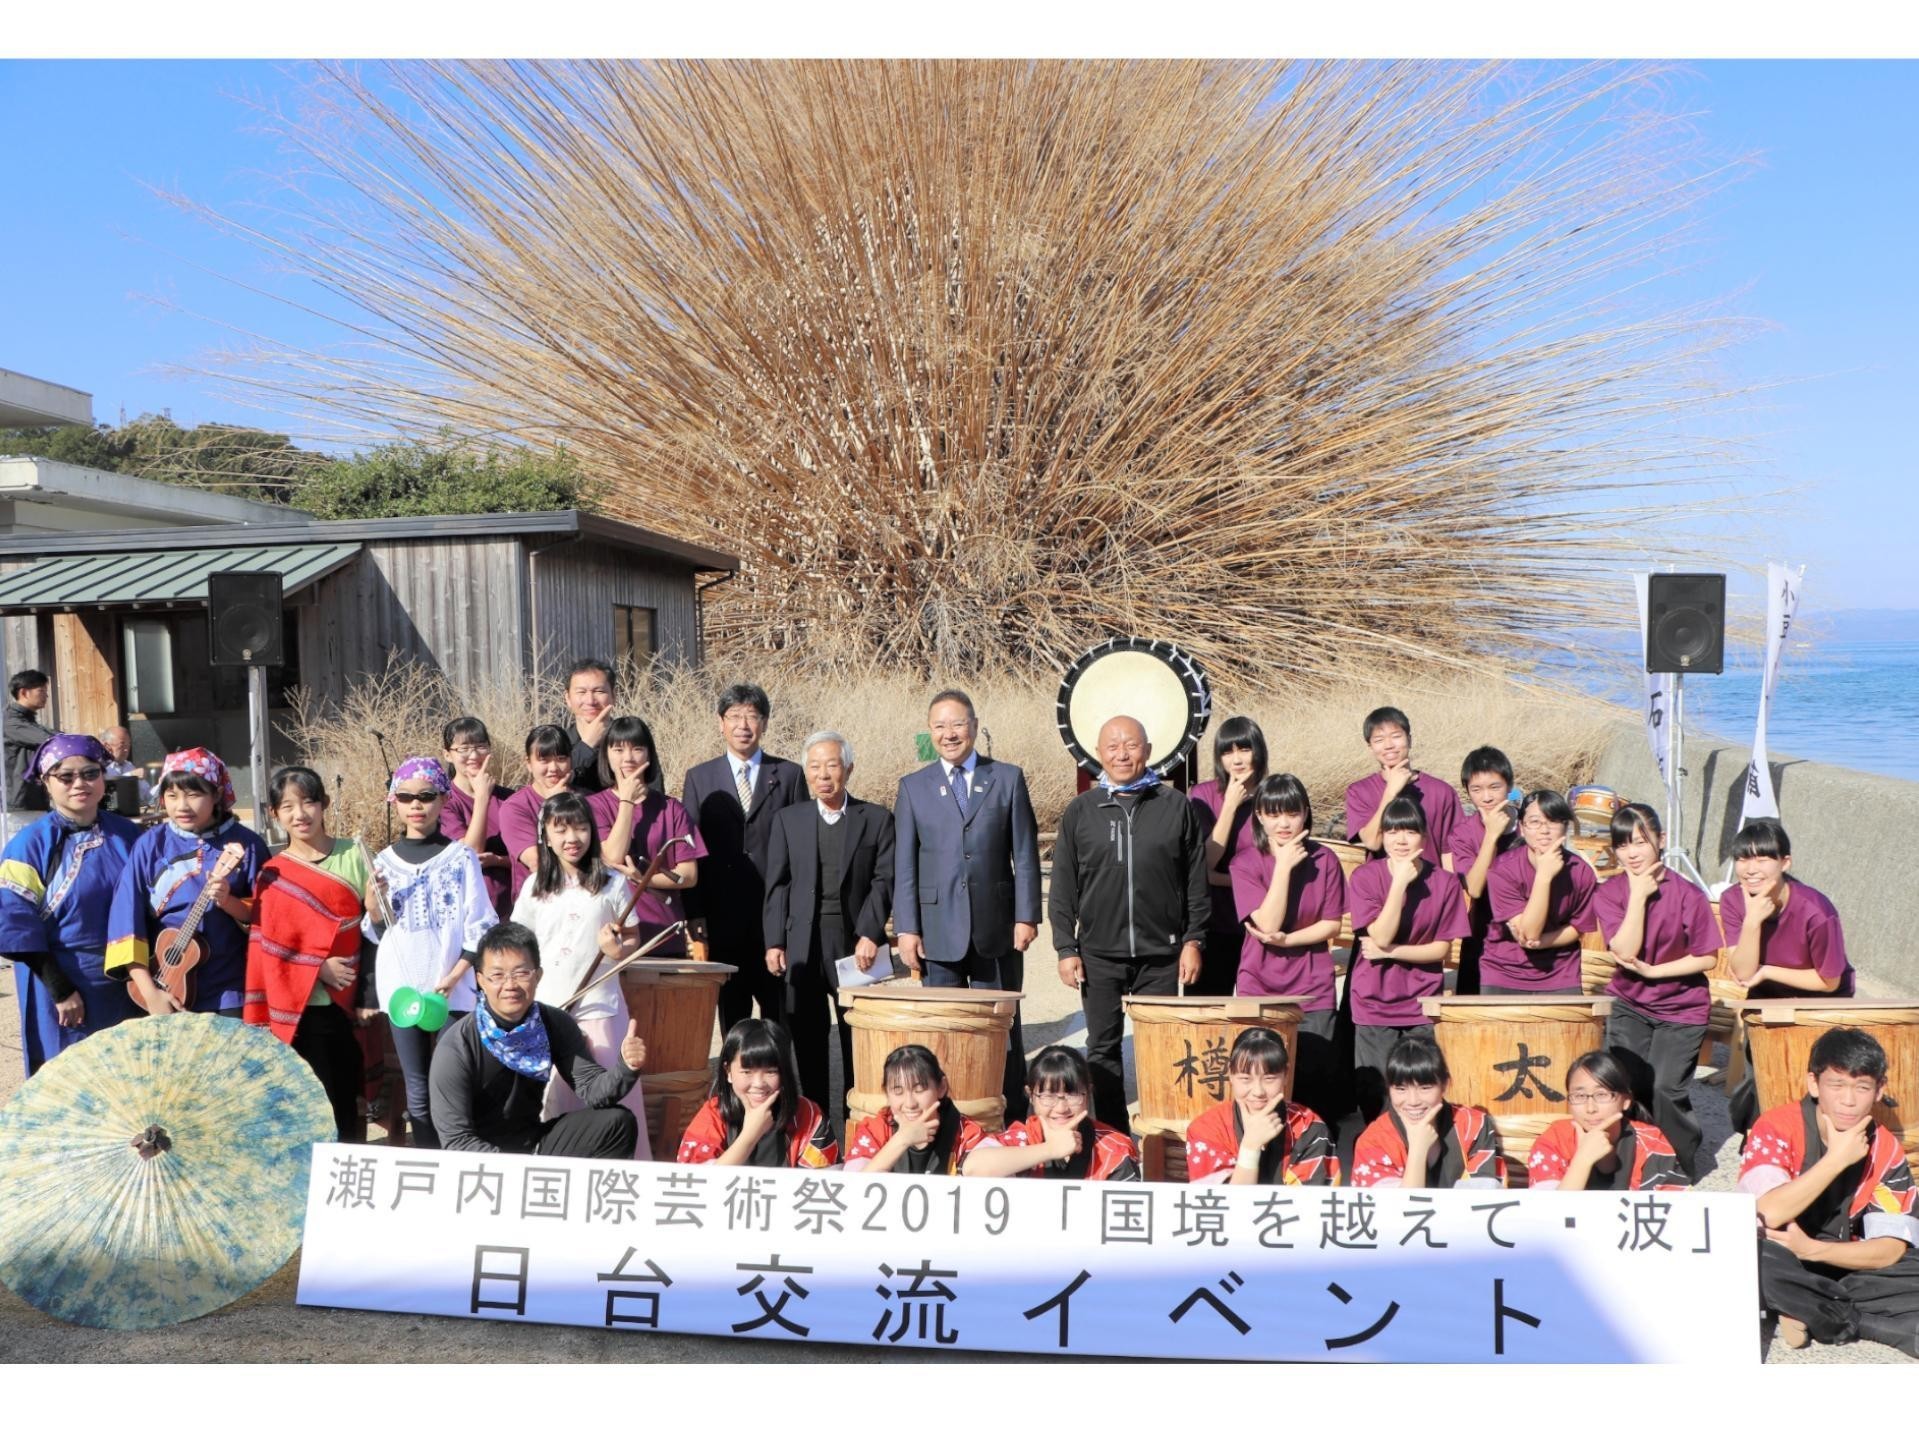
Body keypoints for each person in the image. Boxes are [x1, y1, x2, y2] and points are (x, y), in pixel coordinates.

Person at [1048, 714, 1209, 1129]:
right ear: (1098, 754)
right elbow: (1063, 886)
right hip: (1099, 953)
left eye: (1131, 745)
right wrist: (1066, 947)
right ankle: (1115, 1134)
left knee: (1162, 1046)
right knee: (1102, 1048)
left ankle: (1161, 1132)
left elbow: (1195, 882)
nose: (1122, 754)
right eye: (1113, 747)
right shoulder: (1082, 811)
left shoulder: (1175, 807)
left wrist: (1193, 940)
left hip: (1161, 954)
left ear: (1148, 750)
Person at [893, 688, 1043, 1121]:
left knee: (1003, 1025)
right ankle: (950, 1119)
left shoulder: (1006, 778)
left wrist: (1026, 915)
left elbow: (1025, 853)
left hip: (997, 926)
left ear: (974, 727)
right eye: (940, 726)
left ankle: (1011, 1115)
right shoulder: (914, 787)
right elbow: (905, 864)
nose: (949, 734)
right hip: (937, 928)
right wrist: (907, 928)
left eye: (958, 724)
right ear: (930, 732)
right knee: (945, 1027)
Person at [1742, 1027, 1919, 1356]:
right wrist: (1836, 1160)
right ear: (1814, 1084)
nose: (1848, 1100)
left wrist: (1812, 1250)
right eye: (1836, 1085)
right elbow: (1768, 1213)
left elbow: (1890, 1249)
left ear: (1879, 1090)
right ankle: (1851, 1316)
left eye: (1862, 1087)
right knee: (1749, 1256)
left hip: (1844, 1260)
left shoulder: (1885, 1148)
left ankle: (1812, 1309)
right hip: (1781, 1256)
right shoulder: (1777, 1126)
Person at [762, 730, 895, 1128]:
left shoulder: (876, 819)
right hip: (803, 942)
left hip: (855, 944)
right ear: (806, 772)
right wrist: (775, 941)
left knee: (859, 1036)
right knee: (808, 1036)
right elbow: (778, 885)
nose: (823, 775)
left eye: (832, 765)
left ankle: (861, 1126)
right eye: (815, 767)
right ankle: (817, 1128)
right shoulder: (789, 820)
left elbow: (884, 880)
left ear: (848, 769)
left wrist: (870, 932)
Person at [364, 758, 497, 1148]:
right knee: (417, 1085)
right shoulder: (383, 862)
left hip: (452, 988)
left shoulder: (460, 857)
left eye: (426, 795)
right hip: (401, 990)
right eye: (406, 797)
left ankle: (459, 1157)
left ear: (443, 799)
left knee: (455, 1081)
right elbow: (378, 932)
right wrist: (372, 906)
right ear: (394, 801)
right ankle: (427, 1159)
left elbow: (480, 923)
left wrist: (454, 977)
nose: (416, 805)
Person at [510, 789, 651, 1158]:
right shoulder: (534, 886)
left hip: (599, 1008)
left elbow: (632, 938)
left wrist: (617, 950)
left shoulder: (612, 882)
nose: (572, 838)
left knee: (608, 1094)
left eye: (581, 828)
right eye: (561, 830)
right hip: (548, 1010)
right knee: (552, 1099)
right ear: (545, 836)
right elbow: (518, 942)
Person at [427, 921, 646, 1157]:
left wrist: (626, 1067)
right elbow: (457, 1139)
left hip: (533, 1144)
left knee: (617, 1123)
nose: (510, 985)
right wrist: (517, 1170)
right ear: (481, 980)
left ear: (538, 976)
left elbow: (592, 1090)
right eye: (497, 975)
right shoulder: (457, 1045)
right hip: (480, 1157)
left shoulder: (554, 1023)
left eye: (521, 973)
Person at [1592, 800, 1720, 1181]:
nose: (1632, 853)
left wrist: (1656, 971)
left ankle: (1681, 1162)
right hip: (1629, 1002)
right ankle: (1631, 1159)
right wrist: (1637, 897)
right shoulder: (1611, 893)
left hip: (1682, 1008)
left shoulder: (1688, 895)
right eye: (1622, 844)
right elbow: (1624, 950)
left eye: (1640, 841)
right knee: (1625, 1084)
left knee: (1665, 1089)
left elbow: (1707, 957)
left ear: (1661, 840)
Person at [0, 734, 142, 1075]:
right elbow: (14, 924)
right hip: (65, 984)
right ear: (46, 782)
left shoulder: (130, 835)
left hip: (129, 981)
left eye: (90, 773)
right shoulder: (29, 845)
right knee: (71, 1081)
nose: (80, 783)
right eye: (66, 776)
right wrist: (60, 990)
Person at [243, 767, 371, 1140]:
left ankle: (348, 1170)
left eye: (309, 802)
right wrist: (317, 967)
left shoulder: (356, 854)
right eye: (288, 807)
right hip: (301, 1011)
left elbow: (376, 931)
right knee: (309, 1106)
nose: (300, 814)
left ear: (324, 804)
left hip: (352, 1003)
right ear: (274, 814)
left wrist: (369, 994)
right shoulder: (273, 874)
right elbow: (269, 948)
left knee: (348, 1101)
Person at [105, 748, 270, 1017]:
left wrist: (229, 901)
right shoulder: (150, 845)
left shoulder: (248, 845)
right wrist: (150, 993)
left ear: (217, 794)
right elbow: (126, 919)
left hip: (231, 989)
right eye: (172, 796)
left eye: (193, 795)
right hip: (165, 989)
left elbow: (269, 918)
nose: (181, 806)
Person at [681, 683, 807, 1032]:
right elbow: (690, 850)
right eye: (734, 716)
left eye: (752, 716)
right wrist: (694, 912)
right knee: (732, 1019)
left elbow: (801, 850)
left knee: (779, 1018)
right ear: (720, 722)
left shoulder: (790, 775)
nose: (743, 725)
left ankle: (780, 1069)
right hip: (722, 919)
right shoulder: (699, 777)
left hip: (774, 919)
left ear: (764, 722)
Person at [1721, 818, 1854, 1134]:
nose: (1751, 869)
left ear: (1785, 862)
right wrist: (1752, 921)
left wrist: (1768, 970)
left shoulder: (1815, 910)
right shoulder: (1733, 900)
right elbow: (1743, 972)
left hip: (1820, 1001)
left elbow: (1829, 981)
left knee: (1809, 1083)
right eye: (1743, 859)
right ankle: (1762, 1140)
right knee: (1762, 1079)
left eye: (1762, 859)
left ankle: (1812, 1143)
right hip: (1766, 996)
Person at [1345, 794, 1471, 1124]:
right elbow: (1381, 934)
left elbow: (1441, 950)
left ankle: (1419, 1146)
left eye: (1410, 831)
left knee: (1421, 1089)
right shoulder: (1365, 877)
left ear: (1424, 838)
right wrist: (1399, 883)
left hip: (1422, 1001)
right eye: (1392, 831)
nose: (1401, 839)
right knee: (1376, 1095)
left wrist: (1391, 953)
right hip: (1374, 1000)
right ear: (1382, 836)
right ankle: (1379, 1148)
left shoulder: (1444, 882)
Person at [1226, 773, 1345, 1121]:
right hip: (1259, 983)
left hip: (1312, 984)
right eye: (1273, 814)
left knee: (1314, 1080)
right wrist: (1283, 867)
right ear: (1259, 816)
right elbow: (1267, 923)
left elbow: (1332, 924)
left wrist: (1288, 941)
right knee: (1261, 1079)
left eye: (1292, 813)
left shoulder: (1325, 860)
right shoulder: (1244, 862)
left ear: (1305, 813)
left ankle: (1316, 1144)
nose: (1283, 823)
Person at [585, 714, 704, 954]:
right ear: (606, 755)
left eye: (637, 749)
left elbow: (689, 876)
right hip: (613, 937)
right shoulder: (592, 806)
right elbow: (613, 856)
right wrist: (627, 801)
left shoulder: (672, 808)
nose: (628, 758)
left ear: (649, 754)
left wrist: (643, 879)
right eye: (618, 750)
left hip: (663, 933)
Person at [1182, 1027, 1341, 1185]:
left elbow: (1312, 1199)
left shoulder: (1309, 1128)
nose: (1258, 1091)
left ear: (1286, 1074)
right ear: (1230, 1074)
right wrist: (1250, 1147)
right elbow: (1219, 1200)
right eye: (1245, 1079)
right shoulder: (1207, 1129)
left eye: (1269, 1078)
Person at [961, 1046, 1142, 1181]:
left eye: (1072, 1095)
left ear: (1088, 1093)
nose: (1061, 1108)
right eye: (1048, 1096)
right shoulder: (1018, 1140)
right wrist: (1050, 1149)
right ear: (1031, 1095)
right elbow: (973, 1168)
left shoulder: (1115, 1148)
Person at [676, 1017, 838, 1167]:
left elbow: (821, 1182)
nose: (759, 1084)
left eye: (771, 1072)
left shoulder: (808, 1116)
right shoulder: (714, 1114)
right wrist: (750, 1135)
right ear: (728, 1071)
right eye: (747, 1072)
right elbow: (696, 1181)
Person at [1481, 789, 1598, 995]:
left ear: (1565, 828)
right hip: (1505, 970)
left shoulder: (1581, 873)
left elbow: (1577, 928)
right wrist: (1544, 876)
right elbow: (1529, 932)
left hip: (1560, 972)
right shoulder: (1503, 869)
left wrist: (1541, 943)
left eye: (1553, 821)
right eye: (1535, 822)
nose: (1544, 830)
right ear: (1522, 828)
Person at [1351, 1034, 1506, 1188]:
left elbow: (1483, 1199)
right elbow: (1398, 1204)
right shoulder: (1373, 1141)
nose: (1413, 1101)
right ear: (1388, 1089)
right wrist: (1418, 1149)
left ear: (1444, 1085)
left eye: (1425, 1088)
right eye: (1401, 1089)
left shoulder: (1474, 1126)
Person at [1525, 1049, 1689, 1191]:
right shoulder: (1554, 1140)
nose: (1590, 1108)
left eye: (1602, 1095)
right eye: (1579, 1096)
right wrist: (1582, 1161)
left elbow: (1669, 1210)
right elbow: (1547, 1213)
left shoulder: (1652, 1142)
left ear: (1626, 1101)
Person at [1187, 716, 1268, 997]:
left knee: (1256, 1013)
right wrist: (1230, 806)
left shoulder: (1273, 796)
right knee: (1207, 1011)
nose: (1236, 759)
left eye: (1244, 749)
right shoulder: (1202, 796)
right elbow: (1205, 864)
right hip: (1214, 924)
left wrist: (1221, 878)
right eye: (1227, 752)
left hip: (1261, 925)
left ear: (1258, 750)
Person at [844, 1044, 999, 1174]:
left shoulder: (964, 1132)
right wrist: (903, 1139)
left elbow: (988, 1168)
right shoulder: (875, 1131)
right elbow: (853, 1187)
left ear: (941, 1087)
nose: (910, 1103)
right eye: (898, 1091)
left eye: (919, 1090)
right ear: (887, 1094)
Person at [1343, 705, 1458, 864]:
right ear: (1370, 748)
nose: (1389, 745)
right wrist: (1390, 792)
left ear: (1409, 740)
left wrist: (1448, 881)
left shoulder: (1442, 791)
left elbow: (1449, 852)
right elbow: (1372, 842)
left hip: (1431, 879)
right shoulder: (1359, 791)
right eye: (1379, 740)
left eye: (1396, 736)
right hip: (1382, 880)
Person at [1448, 745, 1518, 995]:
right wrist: (1490, 836)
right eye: (1476, 789)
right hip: (1483, 938)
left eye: (1494, 787)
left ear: (1509, 786)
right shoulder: (1463, 833)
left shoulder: (1531, 824)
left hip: (1529, 940)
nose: (1486, 797)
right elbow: (1475, 889)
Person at [440, 716, 517, 918]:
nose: (474, 755)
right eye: (464, 749)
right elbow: (470, 853)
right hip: (468, 912)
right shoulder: (444, 802)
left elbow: (532, 857)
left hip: (513, 908)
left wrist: (498, 860)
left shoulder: (510, 799)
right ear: (448, 755)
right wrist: (482, 798)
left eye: (480, 746)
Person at [498, 724, 578, 900]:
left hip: (585, 900)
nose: (554, 768)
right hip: (539, 902)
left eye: (561, 758)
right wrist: (553, 806)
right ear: (528, 763)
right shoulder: (515, 807)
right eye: (544, 760)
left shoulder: (586, 800)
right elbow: (537, 862)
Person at [2, 669, 54, 831]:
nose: (46, 695)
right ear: (24, 692)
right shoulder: (10, 722)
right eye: (41, 691)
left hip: (33, 802)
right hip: (18, 807)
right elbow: (49, 739)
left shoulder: (27, 721)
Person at [560, 658, 615, 794]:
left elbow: (654, 794)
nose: (590, 701)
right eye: (581, 692)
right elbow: (551, 789)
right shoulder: (558, 743)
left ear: (614, 695)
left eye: (599, 691)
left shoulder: (630, 738)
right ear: (568, 698)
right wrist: (587, 746)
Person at [99, 725, 153, 809]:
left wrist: (161, 786)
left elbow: (147, 796)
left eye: (128, 745)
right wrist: (130, 776)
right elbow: (110, 790)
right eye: (122, 745)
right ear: (107, 746)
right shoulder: (100, 767)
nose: (126, 750)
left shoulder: (129, 766)